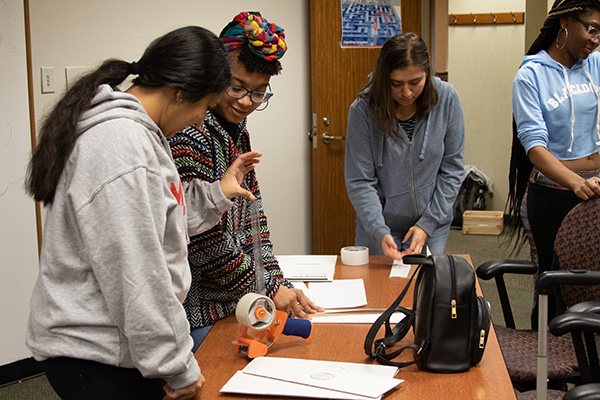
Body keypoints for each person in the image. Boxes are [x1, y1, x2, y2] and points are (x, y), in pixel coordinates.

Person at [25, 26, 261, 400]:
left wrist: (217, 193)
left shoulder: (139, 136)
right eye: (203, 107)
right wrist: (177, 365)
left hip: (114, 347)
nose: (201, 121)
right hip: (93, 353)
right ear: (181, 92)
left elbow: (160, 219)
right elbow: (137, 274)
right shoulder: (121, 145)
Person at [169, 12, 322, 352]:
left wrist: (278, 282)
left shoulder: (237, 131)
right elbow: (200, 237)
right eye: (236, 87)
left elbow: (255, 222)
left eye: (258, 94)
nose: (245, 102)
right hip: (198, 309)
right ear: (215, 74)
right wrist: (268, 289)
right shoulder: (190, 131)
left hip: (237, 298)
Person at [508, 0, 600, 326]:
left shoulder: (596, 65)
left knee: (593, 295)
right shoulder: (530, 75)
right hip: (554, 194)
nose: (595, 38)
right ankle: (550, 373)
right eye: (591, 28)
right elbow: (535, 148)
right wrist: (577, 183)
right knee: (555, 294)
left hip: (595, 191)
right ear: (564, 22)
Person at [344, 33, 465, 260]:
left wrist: (428, 224)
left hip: (432, 224)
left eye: (415, 82)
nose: (406, 93)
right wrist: (379, 231)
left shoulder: (446, 98)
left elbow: (453, 170)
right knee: (378, 291)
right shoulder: (363, 110)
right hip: (379, 227)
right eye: (396, 84)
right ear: (383, 78)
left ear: (427, 74)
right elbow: (360, 181)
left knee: (424, 288)